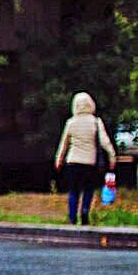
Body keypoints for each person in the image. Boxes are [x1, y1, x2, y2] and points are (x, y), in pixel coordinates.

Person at [54, 92, 116, 225]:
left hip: (72, 161)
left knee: (73, 191)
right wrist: (112, 157)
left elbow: (64, 143)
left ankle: (72, 217)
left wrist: (59, 159)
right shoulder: (96, 122)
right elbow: (105, 142)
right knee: (88, 189)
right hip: (89, 162)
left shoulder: (71, 122)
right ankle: (85, 212)